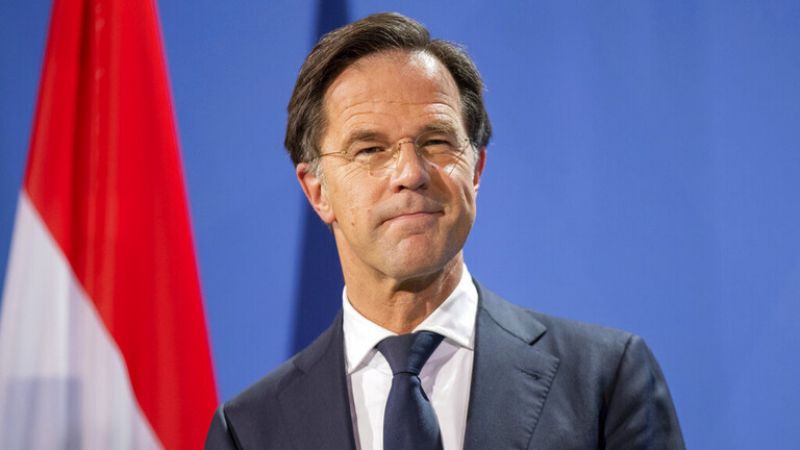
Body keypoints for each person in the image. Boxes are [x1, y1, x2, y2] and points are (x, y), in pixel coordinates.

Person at [205, 12, 684, 450]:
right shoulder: (249, 430)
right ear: (317, 190)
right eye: (370, 149)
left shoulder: (606, 381)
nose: (411, 173)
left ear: (476, 168)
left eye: (436, 141)